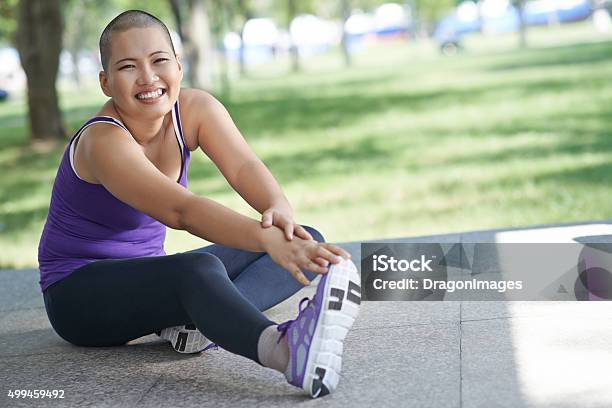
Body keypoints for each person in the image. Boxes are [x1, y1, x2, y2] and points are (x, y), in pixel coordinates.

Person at [37, 10, 361, 399]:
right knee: (199, 268)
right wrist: (269, 241)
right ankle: (286, 351)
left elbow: (243, 166)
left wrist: (279, 215)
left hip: (147, 279)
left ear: (179, 65)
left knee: (307, 236)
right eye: (127, 67)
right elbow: (181, 211)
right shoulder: (102, 142)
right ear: (106, 82)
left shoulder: (194, 109)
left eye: (159, 61)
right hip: (78, 297)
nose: (148, 77)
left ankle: (203, 323)